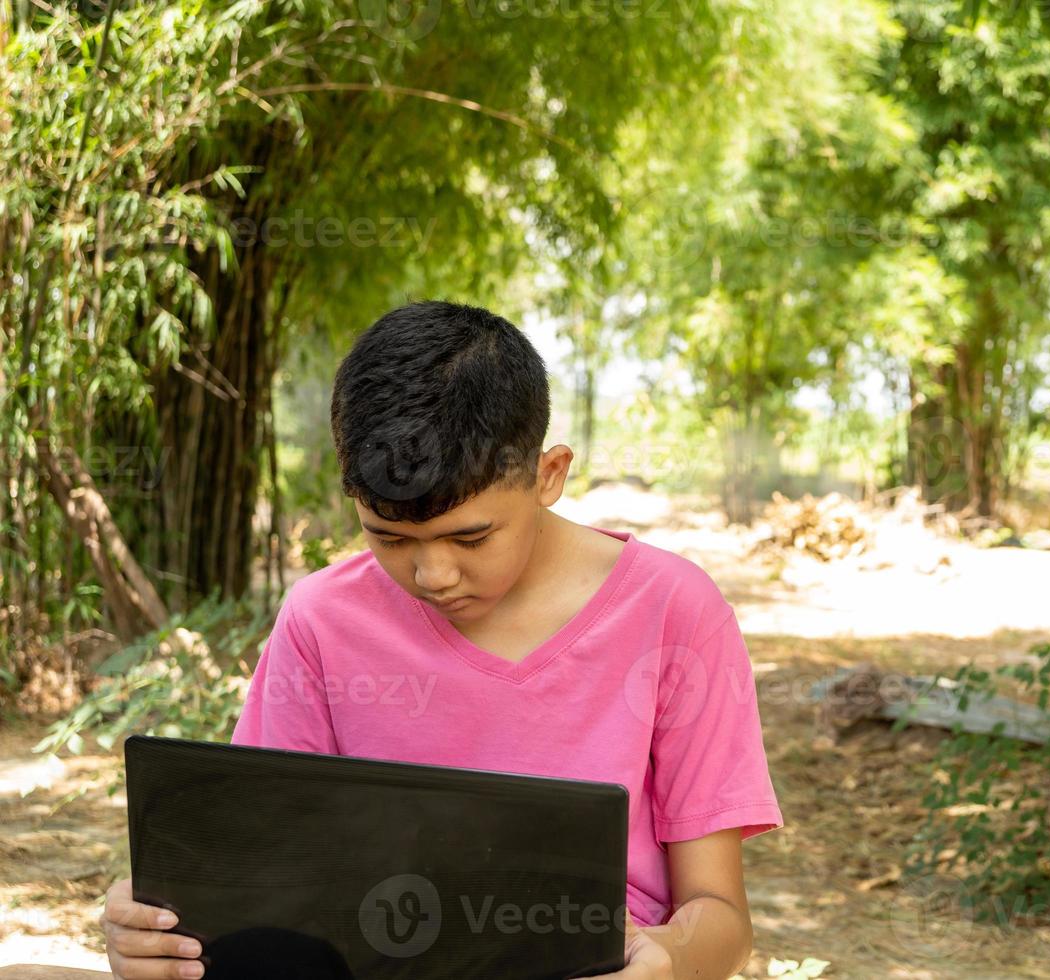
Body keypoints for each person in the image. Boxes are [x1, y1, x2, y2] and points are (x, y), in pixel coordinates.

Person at [96, 300, 784, 980]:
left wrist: (668, 962)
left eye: (471, 536)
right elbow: (256, 872)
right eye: (390, 537)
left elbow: (719, 915)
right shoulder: (322, 619)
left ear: (548, 476)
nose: (433, 575)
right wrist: (159, 934)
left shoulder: (672, 614)